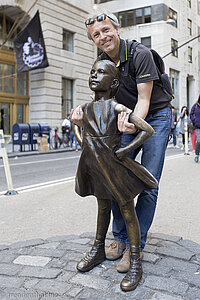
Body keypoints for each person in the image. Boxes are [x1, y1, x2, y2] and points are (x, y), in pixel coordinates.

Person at [72, 11, 172, 273]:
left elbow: (144, 100)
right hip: (125, 115)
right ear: (93, 40)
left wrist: (129, 124)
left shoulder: (140, 54)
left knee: (148, 182)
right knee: (112, 176)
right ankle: (119, 237)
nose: (103, 37)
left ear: (116, 29)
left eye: (106, 30)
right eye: (96, 35)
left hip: (155, 116)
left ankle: (134, 246)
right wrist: (84, 119)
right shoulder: (102, 59)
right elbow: (101, 97)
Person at [73, 60, 157, 292]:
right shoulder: (86, 108)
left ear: (115, 82)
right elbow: (84, 143)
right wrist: (77, 126)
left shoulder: (118, 108)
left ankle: (136, 261)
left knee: (127, 210)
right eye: (92, 71)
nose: (94, 75)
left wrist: (124, 150)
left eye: (101, 72)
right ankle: (98, 248)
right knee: (102, 207)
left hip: (114, 168)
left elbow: (147, 130)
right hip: (94, 166)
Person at [190, 95, 200, 163]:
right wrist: (194, 120)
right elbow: (191, 114)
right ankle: (196, 155)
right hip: (197, 126)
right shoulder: (196, 106)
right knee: (199, 140)